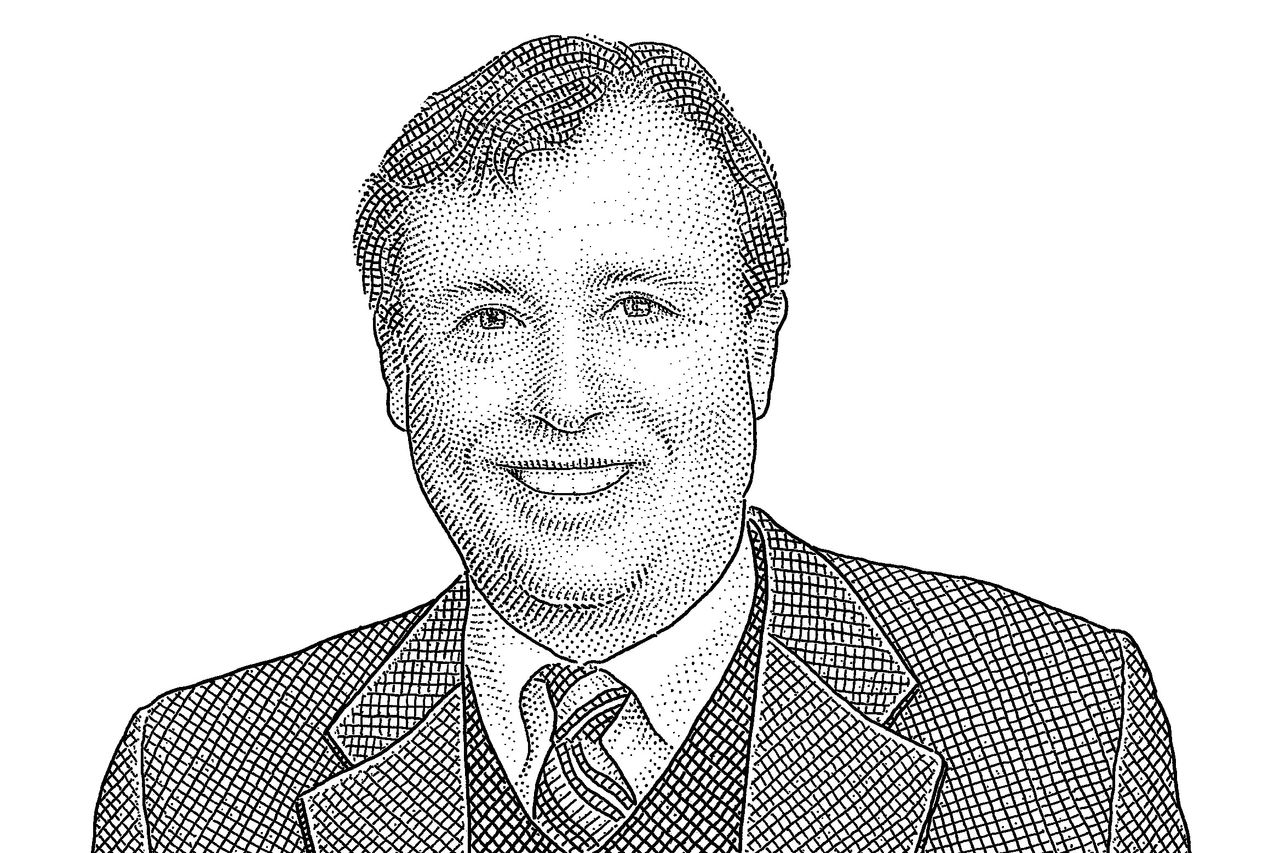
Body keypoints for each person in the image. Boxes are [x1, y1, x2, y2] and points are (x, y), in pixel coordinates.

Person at [93, 35, 1190, 853]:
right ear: (395, 368)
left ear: (756, 352)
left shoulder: (1060, 721)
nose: (565, 400)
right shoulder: (188, 786)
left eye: (637, 308)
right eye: (488, 318)